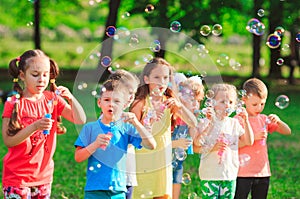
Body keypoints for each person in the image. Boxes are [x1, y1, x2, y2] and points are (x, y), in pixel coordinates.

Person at [1, 49, 87, 199]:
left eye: (46, 74)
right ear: (22, 75)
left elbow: (80, 119)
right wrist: (34, 127)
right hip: (17, 178)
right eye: (35, 75)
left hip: (44, 176)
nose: (41, 79)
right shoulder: (15, 104)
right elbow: (9, 141)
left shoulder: (52, 99)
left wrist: (71, 98)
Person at [74, 80, 156, 199]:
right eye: (107, 100)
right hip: (94, 191)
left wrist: (137, 123)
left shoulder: (126, 128)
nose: (111, 104)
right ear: (99, 102)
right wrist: (95, 144)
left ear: (123, 105)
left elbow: (151, 145)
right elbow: (78, 157)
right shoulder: (90, 128)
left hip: (118, 191)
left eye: (117, 101)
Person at [130, 58, 197, 199]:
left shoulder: (170, 102)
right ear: (146, 79)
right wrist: (150, 119)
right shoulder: (140, 103)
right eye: (157, 77)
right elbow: (132, 133)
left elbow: (193, 122)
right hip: (144, 161)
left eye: (165, 77)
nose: (162, 82)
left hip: (163, 161)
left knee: (162, 195)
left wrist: (180, 107)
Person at [193, 83, 254, 199]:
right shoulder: (206, 122)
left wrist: (246, 121)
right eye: (222, 102)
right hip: (209, 175)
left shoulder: (234, 123)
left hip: (229, 174)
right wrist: (213, 147)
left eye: (230, 102)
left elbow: (249, 141)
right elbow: (197, 144)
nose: (227, 105)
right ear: (212, 103)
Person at [234, 78, 291, 199]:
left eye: (262, 104)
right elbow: (233, 144)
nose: (259, 108)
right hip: (242, 172)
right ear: (244, 100)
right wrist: (253, 138)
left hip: (263, 171)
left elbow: (287, 131)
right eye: (254, 104)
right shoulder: (238, 119)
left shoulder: (264, 119)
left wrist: (279, 122)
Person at [171, 74, 205, 199]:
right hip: (165, 156)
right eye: (192, 100)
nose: (196, 104)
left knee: (177, 177)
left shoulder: (191, 119)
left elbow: (195, 138)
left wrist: (203, 126)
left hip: (178, 158)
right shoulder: (175, 115)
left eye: (199, 101)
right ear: (181, 98)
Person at [107, 69, 140, 199]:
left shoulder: (129, 117)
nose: (132, 97)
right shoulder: (109, 116)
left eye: (134, 93)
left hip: (128, 174)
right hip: (113, 176)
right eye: (128, 92)